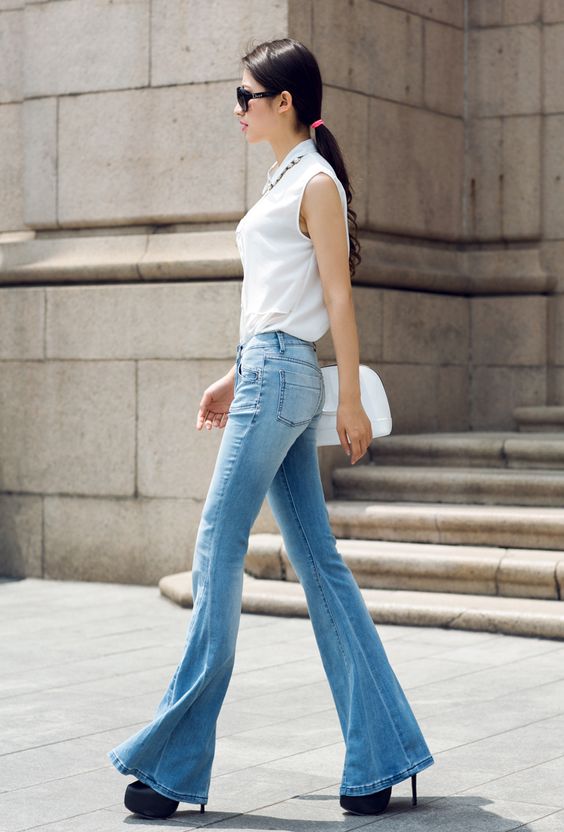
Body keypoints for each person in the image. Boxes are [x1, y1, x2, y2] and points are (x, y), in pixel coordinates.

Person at [107, 37, 434, 821]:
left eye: (245, 97)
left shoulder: (315, 182)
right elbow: (273, 304)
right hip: (264, 371)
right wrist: (233, 371)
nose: (236, 110)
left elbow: (338, 299)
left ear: (284, 102)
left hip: (283, 378)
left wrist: (348, 397)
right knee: (317, 562)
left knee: (217, 545)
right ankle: (384, 751)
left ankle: (173, 764)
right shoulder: (285, 177)